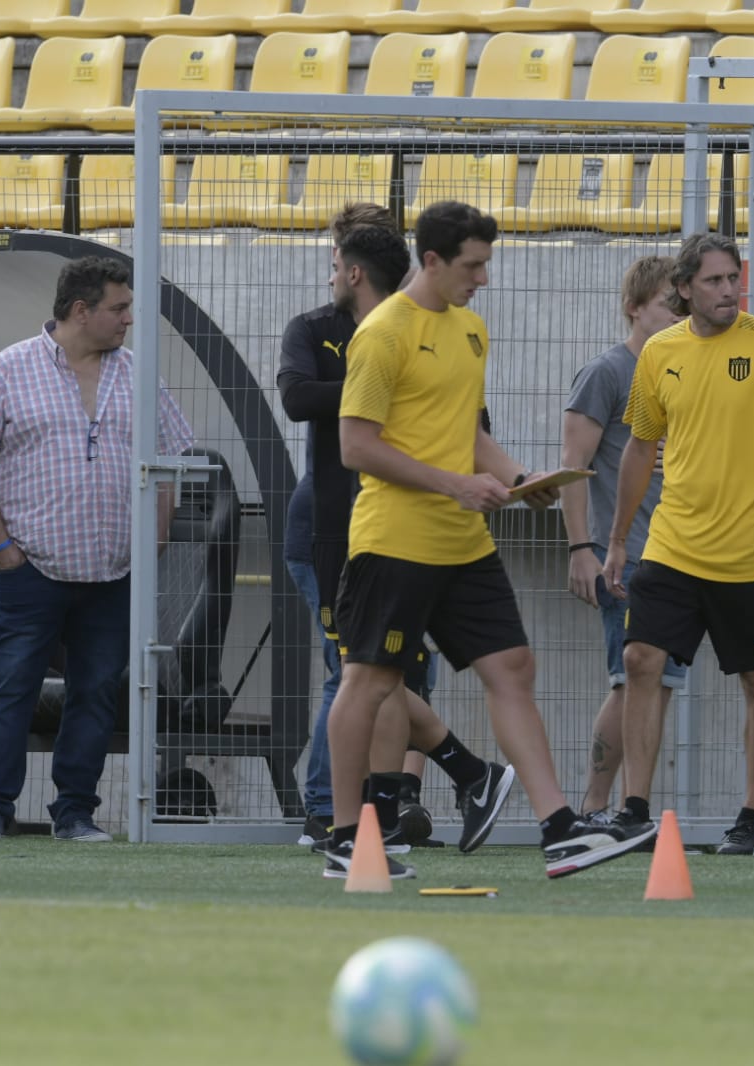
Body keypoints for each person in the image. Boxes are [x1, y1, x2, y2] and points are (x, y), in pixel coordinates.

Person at [326, 199, 654, 880]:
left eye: (486, 264)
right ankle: (344, 839)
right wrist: (454, 485)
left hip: (463, 541)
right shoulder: (382, 333)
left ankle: (559, 828)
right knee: (370, 681)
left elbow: (467, 433)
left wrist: (519, 478)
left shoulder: (471, 330)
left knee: (513, 667)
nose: (483, 279)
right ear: (433, 260)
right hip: (394, 541)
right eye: (472, 266)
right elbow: (356, 446)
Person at [0, 257, 194, 841]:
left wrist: (153, 542)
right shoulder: (9, 368)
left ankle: (75, 812)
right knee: (11, 686)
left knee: (97, 692)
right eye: (119, 308)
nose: (129, 319)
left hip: (113, 573)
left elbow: (170, 463)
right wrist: (2, 548)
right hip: (30, 567)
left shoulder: (139, 374)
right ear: (81, 311)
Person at [278, 203, 503, 854]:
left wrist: (505, 475)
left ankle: (393, 805)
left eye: (336, 262)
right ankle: (337, 813)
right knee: (358, 672)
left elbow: (469, 424)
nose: (331, 274)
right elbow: (297, 398)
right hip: (331, 526)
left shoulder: (439, 331)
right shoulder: (320, 330)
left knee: (391, 673)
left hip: (413, 526)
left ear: (355, 269)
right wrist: (379, 390)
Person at [602, 232, 754, 856]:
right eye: (715, 281)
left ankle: (750, 821)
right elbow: (640, 448)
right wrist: (617, 541)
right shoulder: (660, 352)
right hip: (672, 545)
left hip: (750, 553)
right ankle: (634, 811)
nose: (729, 291)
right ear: (684, 288)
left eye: (734, 279)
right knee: (640, 660)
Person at [560, 255, 688, 819]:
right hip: (628, 556)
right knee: (630, 681)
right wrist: (580, 549)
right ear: (634, 307)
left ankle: (627, 810)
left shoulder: (684, 369)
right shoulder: (608, 372)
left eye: (681, 304)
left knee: (657, 685)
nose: (677, 314)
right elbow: (573, 466)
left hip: (679, 553)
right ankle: (594, 808)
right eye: (667, 303)